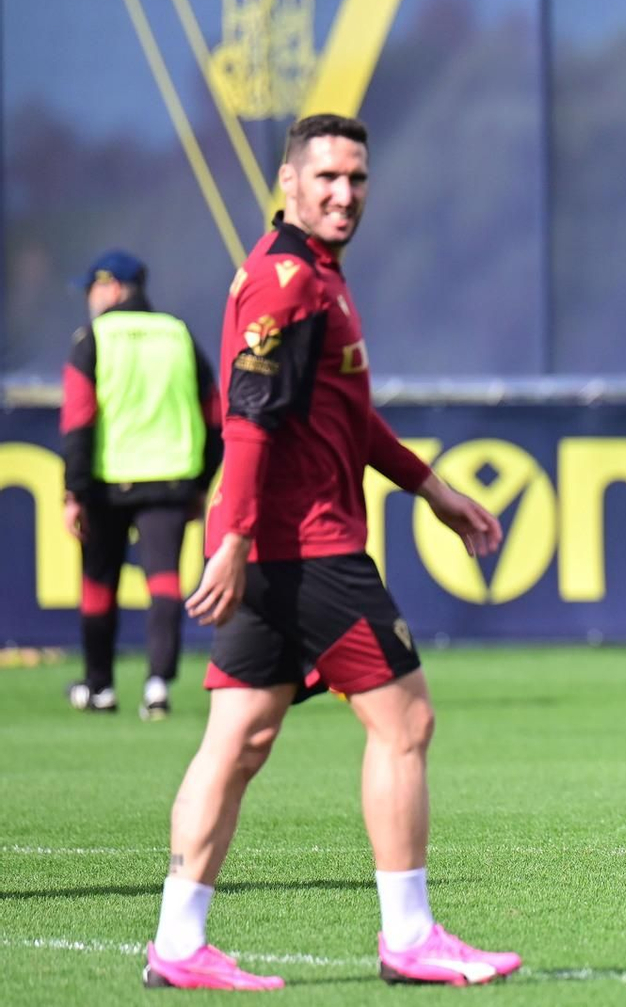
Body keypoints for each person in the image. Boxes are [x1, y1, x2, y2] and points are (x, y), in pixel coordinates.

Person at [142, 114, 521, 990]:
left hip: (277, 550)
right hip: (306, 550)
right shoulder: (287, 283)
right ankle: (409, 935)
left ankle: (178, 941)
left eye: (357, 179)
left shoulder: (314, 276)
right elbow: (247, 417)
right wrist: (232, 537)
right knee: (407, 723)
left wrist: (431, 488)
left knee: (237, 739)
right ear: (288, 184)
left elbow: (345, 417)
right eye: (326, 179)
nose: (344, 194)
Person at [60, 250, 222, 720]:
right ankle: (157, 685)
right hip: (172, 480)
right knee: (165, 581)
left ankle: (100, 687)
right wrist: (201, 483)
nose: (89, 299)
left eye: (92, 288)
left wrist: (74, 491)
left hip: (111, 483)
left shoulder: (92, 338)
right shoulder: (179, 335)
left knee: (98, 583)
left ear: (111, 288)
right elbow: (214, 416)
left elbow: (78, 420)